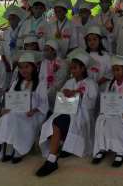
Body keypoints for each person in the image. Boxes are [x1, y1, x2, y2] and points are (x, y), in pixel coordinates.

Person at [37, 49, 98, 177]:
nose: (72, 70)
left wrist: (77, 94)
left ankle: (52, 160)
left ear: (83, 68)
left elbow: (91, 104)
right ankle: (61, 148)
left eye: (75, 68)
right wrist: (63, 94)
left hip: (81, 114)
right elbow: (61, 100)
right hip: (66, 111)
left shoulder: (91, 83)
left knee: (58, 123)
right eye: (71, 68)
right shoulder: (69, 82)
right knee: (50, 122)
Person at [0, 51, 47, 163]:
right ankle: (9, 147)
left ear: (33, 67)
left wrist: (34, 110)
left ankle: (18, 150)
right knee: (5, 118)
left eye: (27, 67)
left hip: (32, 114)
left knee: (13, 119)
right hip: (16, 112)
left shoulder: (40, 84)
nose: (23, 70)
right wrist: (6, 108)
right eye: (21, 67)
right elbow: (10, 99)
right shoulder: (16, 82)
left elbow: (44, 104)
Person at [93, 55, 123, 168]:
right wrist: (104, 110)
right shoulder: (110, 84)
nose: (116, 72)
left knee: (116, 123)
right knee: (101, 120)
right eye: (114, 70)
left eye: (118, 69)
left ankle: (120, 151)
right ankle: (102, 148)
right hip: (112, 112)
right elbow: (106, 100)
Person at [0, 6, 27, 89]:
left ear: (19, 19)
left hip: (21, 66)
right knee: (6, 87)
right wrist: (6, 64)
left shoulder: (24, 32)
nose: (11, 21)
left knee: (18, 86)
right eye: (9, 19)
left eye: (13, 18)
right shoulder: (5, 33)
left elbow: (25, 50)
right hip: (7, 67)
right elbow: (1, 51)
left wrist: (17, 64)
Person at [39, 39, 69, 111]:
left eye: (47, 50)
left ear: (54, 51)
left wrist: (49, 91)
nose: (44, 52)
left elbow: (61, 80)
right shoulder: (44, 63)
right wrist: (44, 89)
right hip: (45, 90)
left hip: (57, 93)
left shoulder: (62, 63)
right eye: (44, 50)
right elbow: (41, 77)